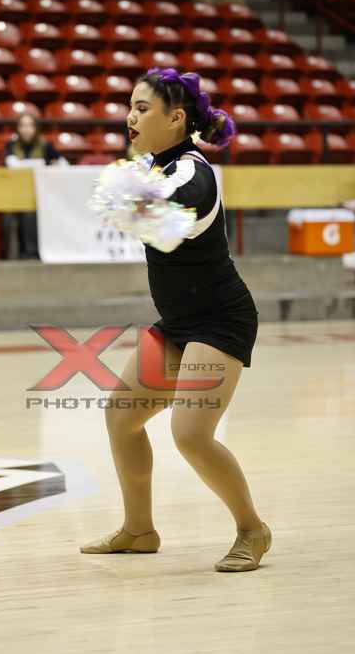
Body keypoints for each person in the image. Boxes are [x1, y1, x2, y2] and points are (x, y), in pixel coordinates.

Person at [80, 67, 272, 572]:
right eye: (130, 106)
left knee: (190, 434)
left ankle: (252, 529)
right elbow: (135, 210)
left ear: (176, 118)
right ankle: (139, 530)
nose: (130, 116)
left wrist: (129, 201)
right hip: (178, 323)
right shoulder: (156, 168)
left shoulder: (193, 172)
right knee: (122, 418)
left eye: (142, 108)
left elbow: (161, 219)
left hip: (220, 320)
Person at [4, 113, 64, 259]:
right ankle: (12, 254)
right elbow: (10, 164)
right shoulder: (11, 145)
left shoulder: (45, 145)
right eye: (23, 126)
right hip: (16, 193)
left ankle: (32, 253)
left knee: (30, 214)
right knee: (8, 217)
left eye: (30, 125)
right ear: (18, 128)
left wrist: (53, 165)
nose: (26, 129)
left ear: (36, 128)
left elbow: (61, 163)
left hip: (41, 194)